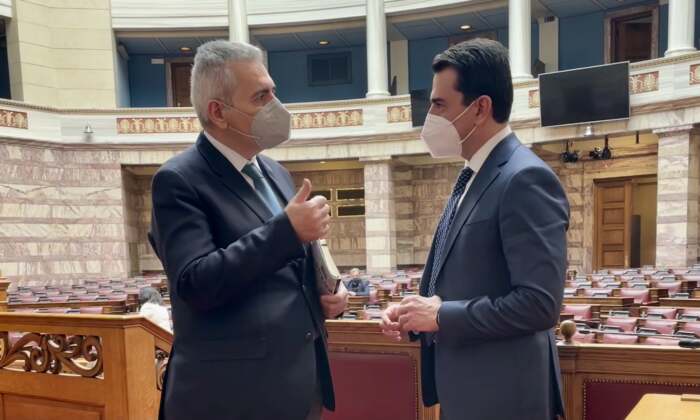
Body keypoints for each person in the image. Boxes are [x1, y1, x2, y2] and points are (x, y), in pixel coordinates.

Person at [149, 40, 348, 420]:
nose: (276, 105)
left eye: (273, 91)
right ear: (218, 112)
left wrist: (325, 297)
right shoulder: (178, 179)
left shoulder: (276, 172)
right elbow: (195, 284)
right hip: (230, 398)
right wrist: (287, 231)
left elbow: (283, 273)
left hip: (298, 388)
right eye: (261, 96)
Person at [380, 38, 569, 420]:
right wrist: (414, 314)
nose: (430, 117)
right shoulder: (473, 175)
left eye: (439, 105)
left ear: (480, 108)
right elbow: (461, 281)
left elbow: (539, 305)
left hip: (505, 397)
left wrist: (440, 316)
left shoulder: (524, 177)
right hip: (469, 389)